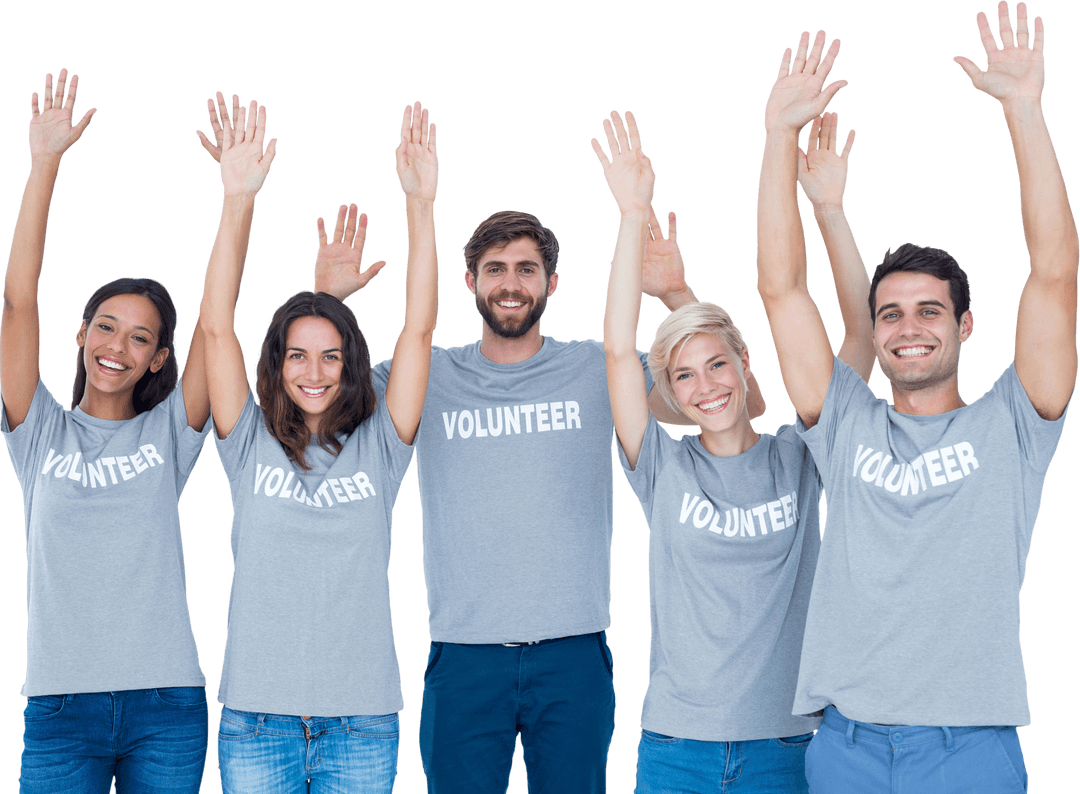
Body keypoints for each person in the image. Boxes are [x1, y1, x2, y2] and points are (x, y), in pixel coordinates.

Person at [312, 129, 741, 794]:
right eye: (496, 270)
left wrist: (675, 295)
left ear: (551, 283)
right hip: (464, 656)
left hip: (574, 653)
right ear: (470, 282)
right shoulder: (428, 375)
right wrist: (330, 303)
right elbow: (322, 398)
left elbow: (702, 401)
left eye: (526, 270)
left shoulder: (596, 367)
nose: (510, 284)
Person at [755, 4, 1076, 791]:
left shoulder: (1015, 422)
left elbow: (1056, 273)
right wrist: (776, 138)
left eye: (929, 311)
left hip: (968, 752)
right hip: (845, 749)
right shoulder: (844, 425)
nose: (907, 329)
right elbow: (781, 290)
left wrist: (1025, 111)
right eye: (890, 313)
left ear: (965, 326)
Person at [597, 106, 872, 793]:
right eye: (683, 377)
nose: (704, 387)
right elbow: (614, 354)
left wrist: (832, 212)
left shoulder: (802, 455)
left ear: (746, 361)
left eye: (718, 365)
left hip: (786, 744)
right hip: (676, 746)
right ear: (670, 391)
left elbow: (862, 337)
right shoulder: (661, 467)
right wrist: (632, 217)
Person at [198, 96, 439, 792]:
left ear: (351, 364)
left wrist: (420, 203)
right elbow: (217, 329)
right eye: (296, 356)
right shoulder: (245, 443)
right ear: (274, 363)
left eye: (331, 357)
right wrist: (237, 197)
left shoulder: (383, 446)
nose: (313, 372)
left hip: (360, 722)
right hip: (258, 720)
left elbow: (417, 332)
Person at [0, 69, 212, 792]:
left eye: (140, 337)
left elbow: (218, 326)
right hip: (60, 709)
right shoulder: (38, 433)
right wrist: (44, 162)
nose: (117, 347)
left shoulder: (170, 434)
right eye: (105, 327)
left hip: (166, 707)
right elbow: (17, 304)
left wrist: (237, 199)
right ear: (83, 333)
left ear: (159, 357)